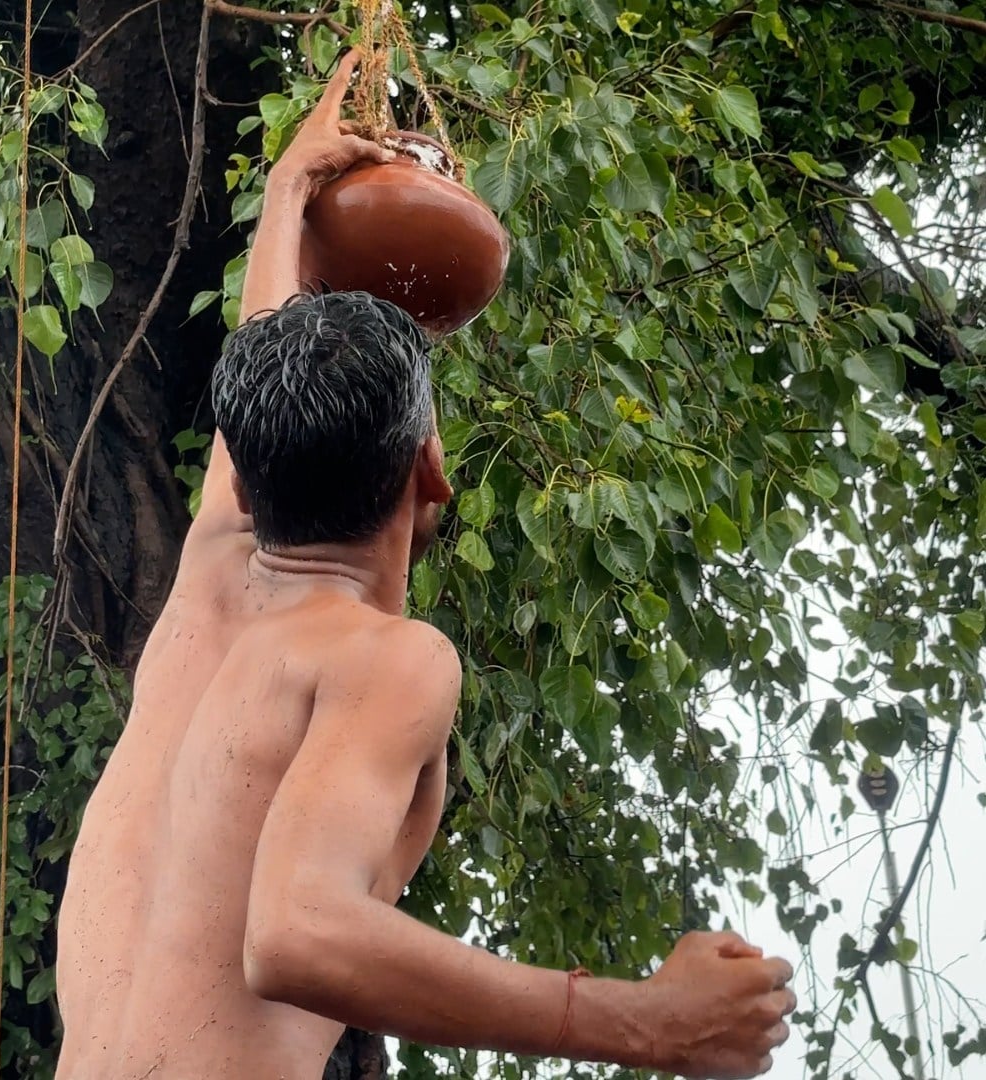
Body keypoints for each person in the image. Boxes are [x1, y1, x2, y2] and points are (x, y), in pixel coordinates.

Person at [54, 49, 795, 1080]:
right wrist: (651, 1021)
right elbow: (296, 934)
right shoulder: (385, 660)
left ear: (252, 472)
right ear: (430, 471)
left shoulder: (211, 581)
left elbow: (262, 362)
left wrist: (288, 193)